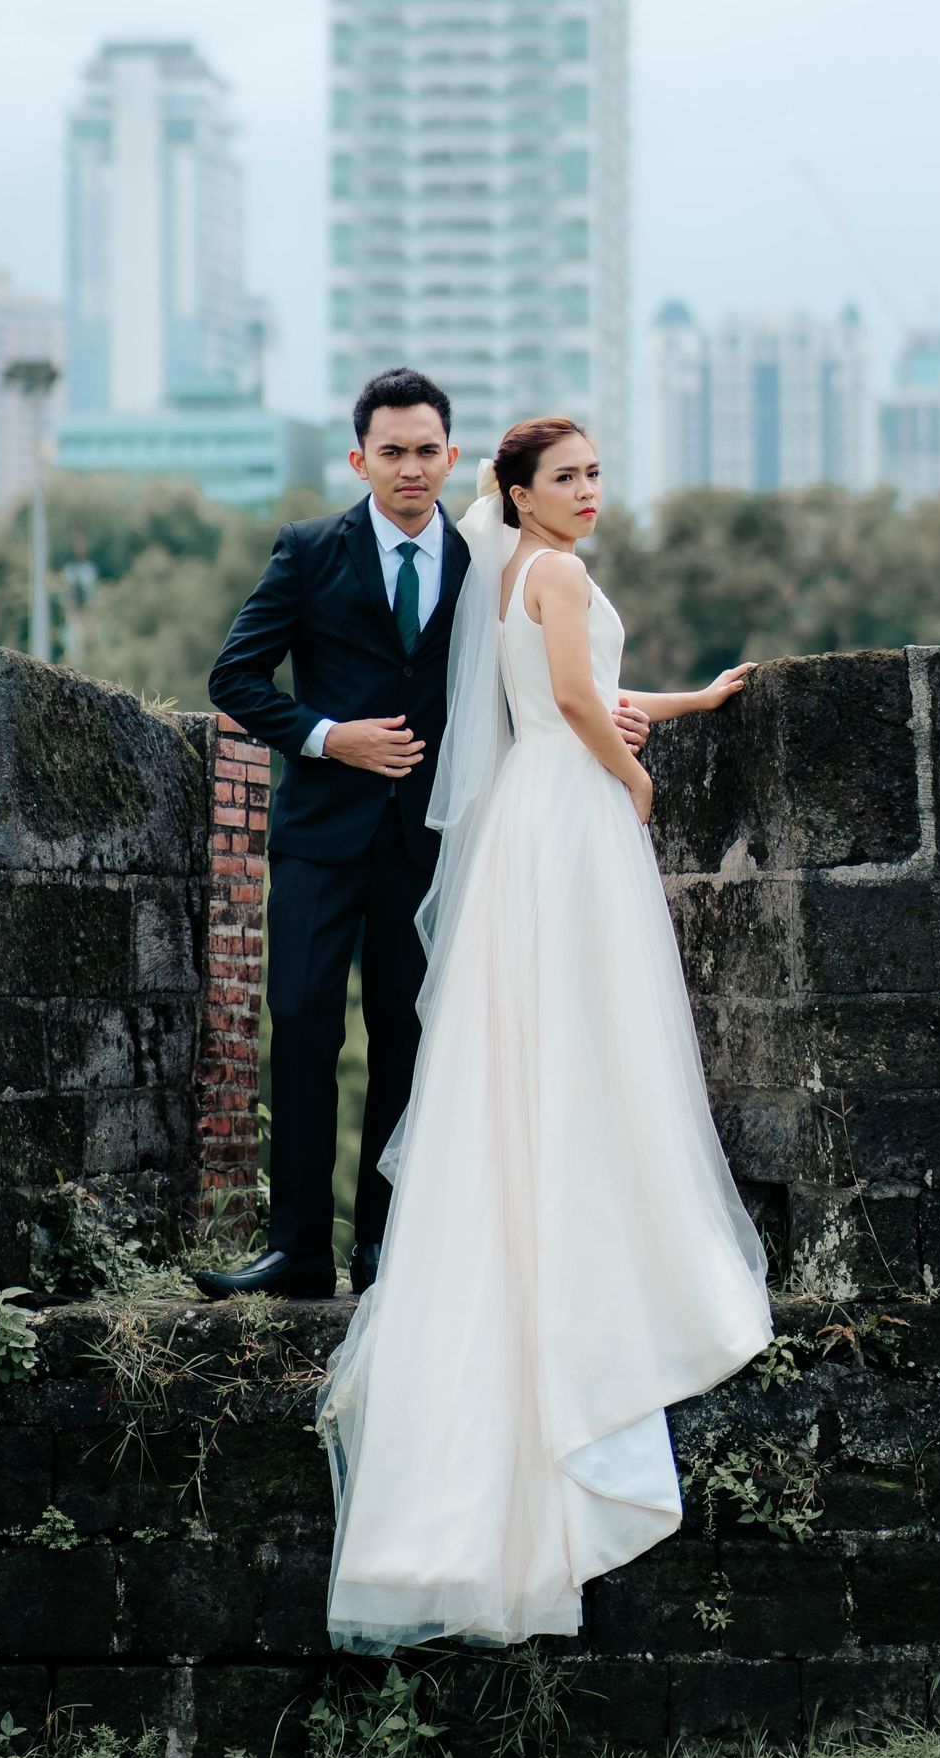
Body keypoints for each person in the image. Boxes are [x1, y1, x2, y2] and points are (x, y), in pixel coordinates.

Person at [314, 416, 771, 1654]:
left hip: (532, 807)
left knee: (540, 1031)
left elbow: (582, 690)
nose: (587, 493)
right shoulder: (556, 568)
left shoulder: (516, 571)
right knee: (592, 1024)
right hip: (569, 805)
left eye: (595, 475)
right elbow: (573, 703)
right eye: (565, 478)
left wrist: (690, 701)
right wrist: (637, 779)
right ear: (515, 494)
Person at [198, 368, 648, 1301]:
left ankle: (384, 1246)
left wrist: (619, 715)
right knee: (304, 1025)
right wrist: (330, 736)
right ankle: (296, 1251)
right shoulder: (308, 551)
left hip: (435, 841)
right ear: (359, 459)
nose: (410, 468)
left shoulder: (488, 560)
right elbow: (234, 678)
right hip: (320, 834)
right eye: (392, 452)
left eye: (427, 451)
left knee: (409, 1035)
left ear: (452, 458)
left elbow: (535, 677)